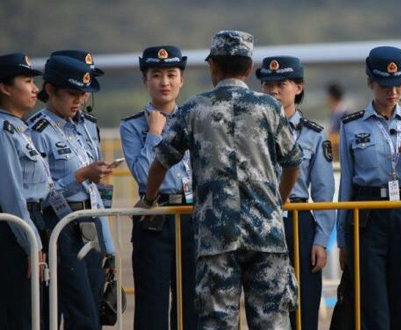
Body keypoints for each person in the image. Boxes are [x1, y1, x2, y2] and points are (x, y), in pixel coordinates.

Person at [139, 30, 302, 329]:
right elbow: (293, 163)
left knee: (216, 323)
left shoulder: (193, 109)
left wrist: (148, 199)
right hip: (266, 234)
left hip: (216, 238)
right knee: (273, 323)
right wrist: (278, 201)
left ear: (212, 66)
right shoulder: (270, 108)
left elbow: (160, 164)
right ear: (250, 68)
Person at [336, 46, 401, 329]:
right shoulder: (351, 125)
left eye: (398, 85)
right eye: (384, 85)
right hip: (366, 216)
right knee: (373, 305)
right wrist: (343, 240)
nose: (392, 92)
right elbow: (346, 185)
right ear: (370, 83)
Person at [30, 55, 115, 330]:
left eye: (83, 94)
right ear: (50, 89)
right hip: (61, 226)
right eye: (72, 93)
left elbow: (96, 191)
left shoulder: (87, 126)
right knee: (81, 314)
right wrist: (79, 176)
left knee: (95, 308)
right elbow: (38, 190)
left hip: (91, 222)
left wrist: (109, 247)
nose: (78, 100)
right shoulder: (38, 131)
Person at [120, 45, 197, 330]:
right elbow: (143, 174)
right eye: (156, 75)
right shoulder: (132, 126)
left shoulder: (195, 119)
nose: (164, 82)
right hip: (154, 217)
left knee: (192, 304)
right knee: (152, 304)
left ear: (182, 79)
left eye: (171, 74)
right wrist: (154, 133)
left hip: (191, 214)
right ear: (145, 80)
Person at [257, 55, 336, 330]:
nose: (273, 91)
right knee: (264, 306)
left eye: (282, 84)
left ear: (299, 88)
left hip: (299, 222)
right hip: (262, 220)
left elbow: (325, 193)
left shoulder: (313, 134)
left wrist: (321, 240)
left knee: (304, 308)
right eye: (267, 84)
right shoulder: (251, 131)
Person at [0, 52, 50, 330]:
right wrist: (30, 244)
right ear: (5, 88)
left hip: (32, 225)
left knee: (35, 314)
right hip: (17, 230)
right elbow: (11, 195)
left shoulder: (20, 129)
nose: (35, 89)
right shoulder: (3, 131)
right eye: (28, 81)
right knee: (19, 313)